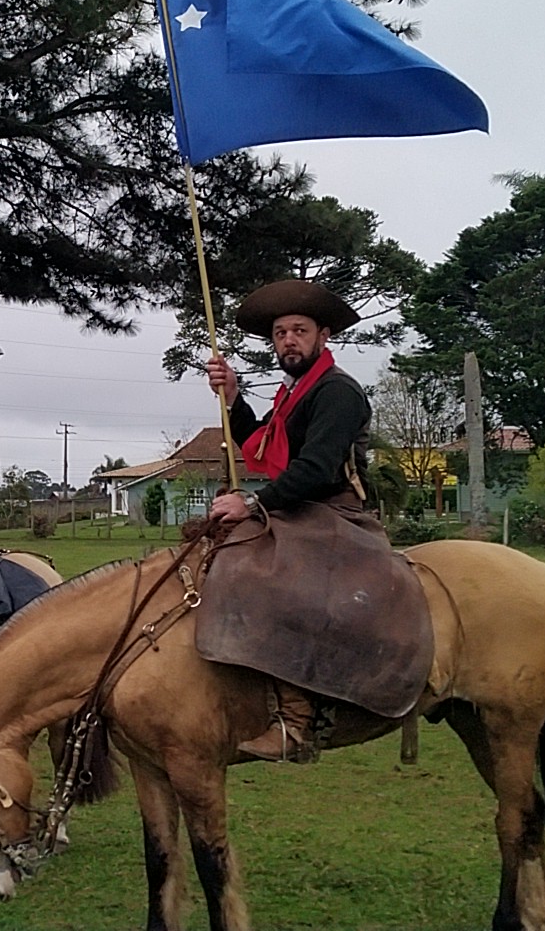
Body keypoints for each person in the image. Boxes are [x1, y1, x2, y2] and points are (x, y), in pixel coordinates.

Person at [204, 279, 381, 762]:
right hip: (298, 507)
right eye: (280, 333)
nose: (289, 341)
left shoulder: (337, 391)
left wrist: (251, 505)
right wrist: (233, 397)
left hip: (334, 512)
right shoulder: (294, 395)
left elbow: (316, 469)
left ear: (324, 335)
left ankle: (296, 719)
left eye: (299, 331)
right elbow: (261, 445)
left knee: (273, 581)